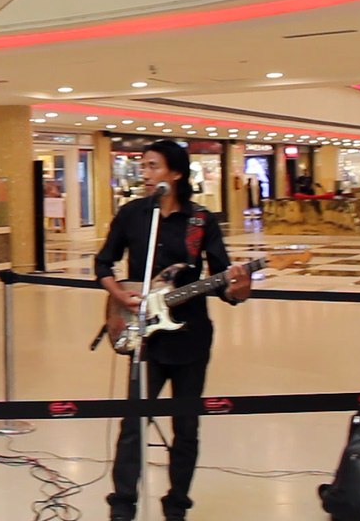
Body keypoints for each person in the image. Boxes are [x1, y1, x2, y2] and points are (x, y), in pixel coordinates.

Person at [95, 140, 252, 521]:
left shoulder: (202, 221)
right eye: (143, 167)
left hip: (191, 336)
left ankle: (177, 503)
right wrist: (122, 296)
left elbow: (225, 280)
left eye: (152, 167)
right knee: (133, 422)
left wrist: (238, 287)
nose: (145, 174)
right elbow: (103, 263)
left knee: (186, 425)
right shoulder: (133, 214)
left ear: (176, 174)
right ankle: (123, 503)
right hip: (143, 336)